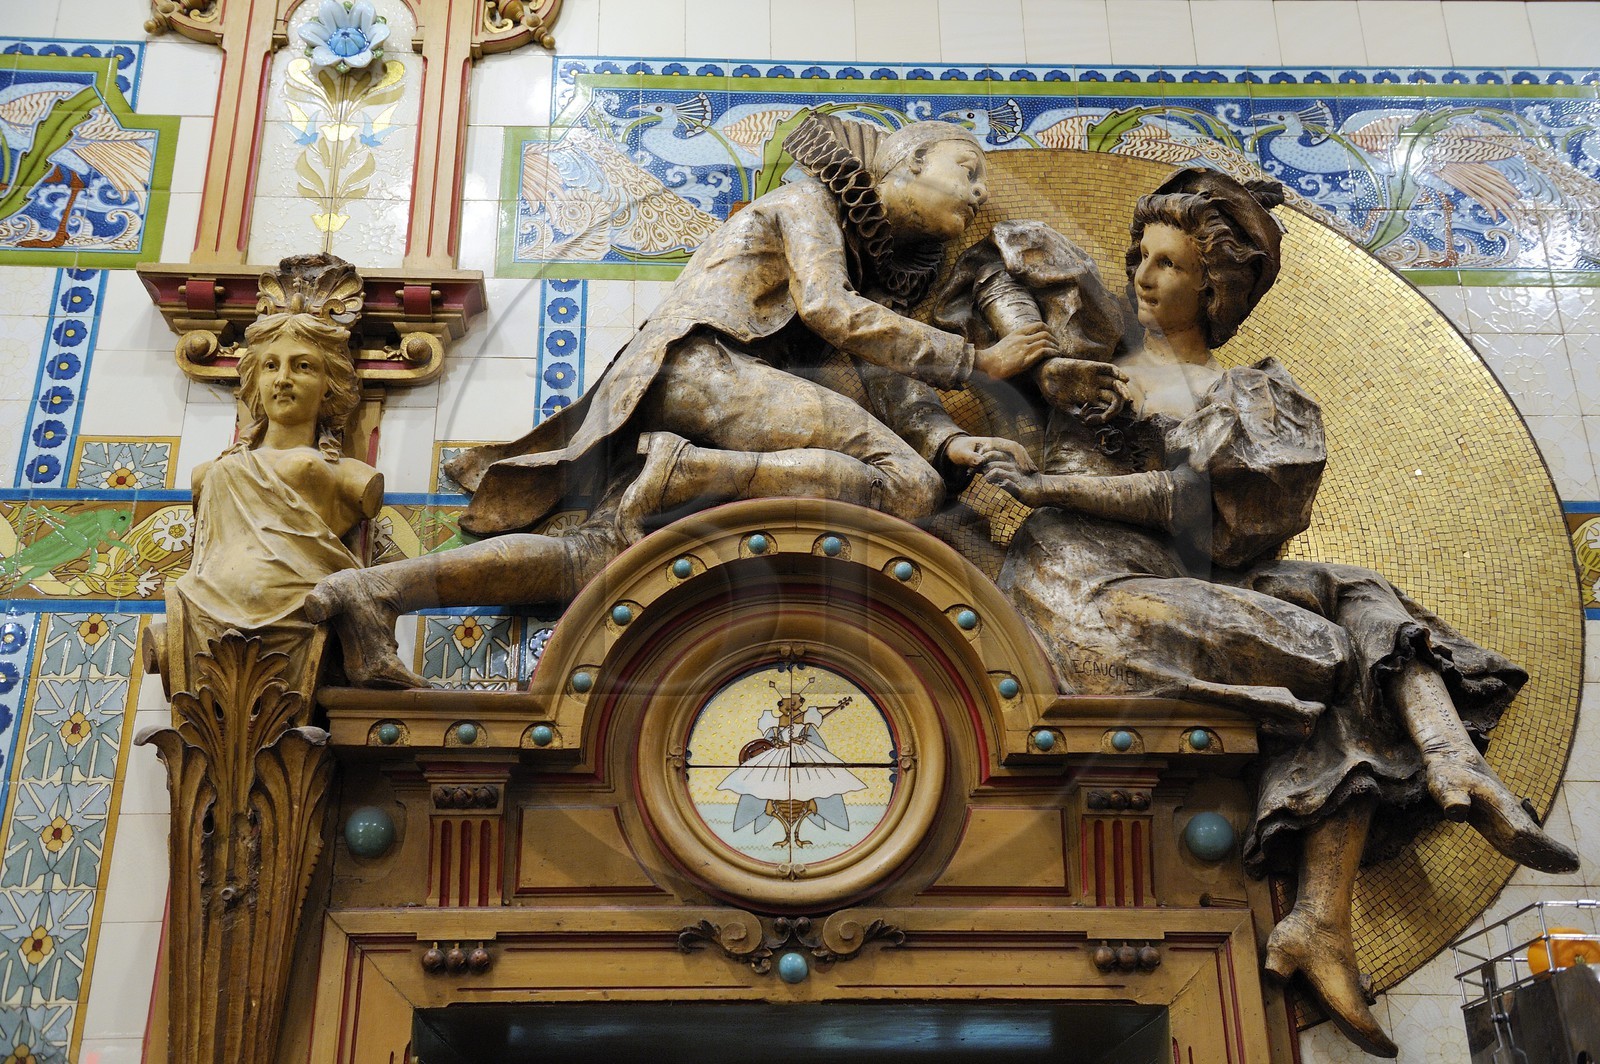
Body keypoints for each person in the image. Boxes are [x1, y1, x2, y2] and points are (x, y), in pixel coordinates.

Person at [972, 169, 1577, 1057]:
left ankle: (1436, 785)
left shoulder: (1251, 397)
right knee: (1331, 653)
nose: (1142, 274)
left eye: (1169, 264)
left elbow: (1198, 516)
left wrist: (1043, 481)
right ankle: (1394, 833)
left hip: (1184, 582)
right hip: (1080, 594)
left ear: (1214, 289)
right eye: (1141, 253)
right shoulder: (1087, 358)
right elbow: (990, 259)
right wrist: (1020, 347)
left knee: (1355, 591)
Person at [307, 115, 1042, 685]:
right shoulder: (806, 202)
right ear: (909, 162)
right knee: (911, 488)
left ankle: (374, 592)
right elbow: (828, 309)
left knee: (592, 559)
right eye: (967, 170)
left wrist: (951, 441)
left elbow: (877, 374)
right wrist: (977, 360)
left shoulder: (858, 266)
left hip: (714, 402)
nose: (979, 193)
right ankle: (684, 469)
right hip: (703, 373)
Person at [171, 270, 381, 679]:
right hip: (203, 613)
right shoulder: (209, 475)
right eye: (271, 366)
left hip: (301, 618)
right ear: (256, 379)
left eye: (302, 366)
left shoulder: (355, 479)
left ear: (328, 385)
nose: (283, 380)